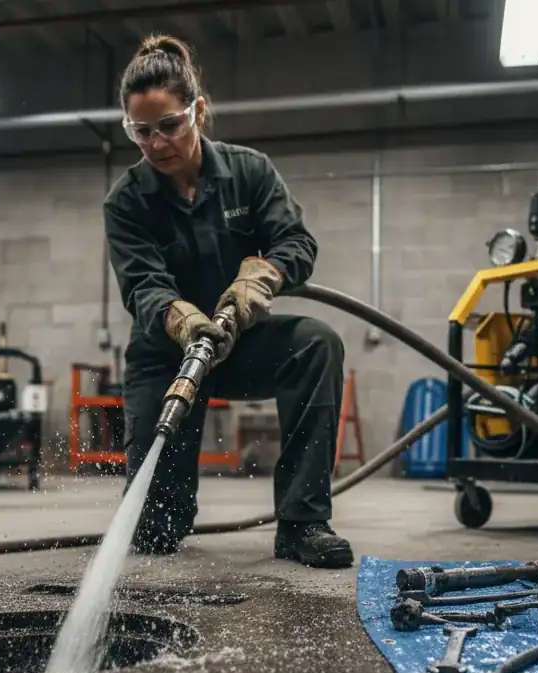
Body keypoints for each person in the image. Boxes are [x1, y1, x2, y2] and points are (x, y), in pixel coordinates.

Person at [104, 34, 353, 569]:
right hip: (166, 356)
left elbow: (297, 243)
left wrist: (258, 278)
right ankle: (162, 512)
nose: (156, 142)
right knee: (155, 532)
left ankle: (302, 522)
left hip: (238, 341)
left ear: (197, 110)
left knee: (316, 344)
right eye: (140, 131)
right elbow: (142, 285)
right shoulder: (126, 200)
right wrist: (186, 321)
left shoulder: (250, 171)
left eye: (169, 124)